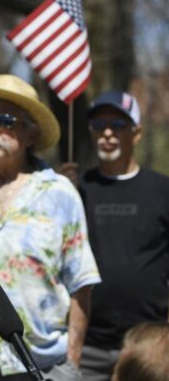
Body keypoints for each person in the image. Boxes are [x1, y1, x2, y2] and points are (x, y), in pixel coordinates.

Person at [0, 74, 101, 380]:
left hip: (38, 365)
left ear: (30, 134)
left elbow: (82, 283)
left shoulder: (60, 194)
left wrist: (72, 365)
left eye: (4, 120)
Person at [61, 91, 169, 381]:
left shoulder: (162, 189)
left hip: (150, 343)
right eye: (99, 125)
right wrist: (58, 189)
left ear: (136, 133)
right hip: (89, 342)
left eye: (118, 125)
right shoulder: (74, 189)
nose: (107, 133)